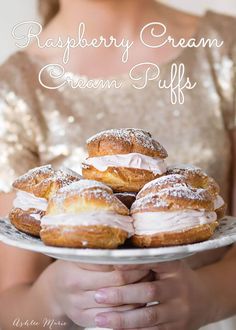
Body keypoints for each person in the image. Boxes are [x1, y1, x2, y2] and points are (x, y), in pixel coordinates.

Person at [0, 0, 236, 329]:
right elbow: (10, 306)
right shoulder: (16, 87)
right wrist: (53, 296)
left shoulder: (224, 47)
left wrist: (210, 297)